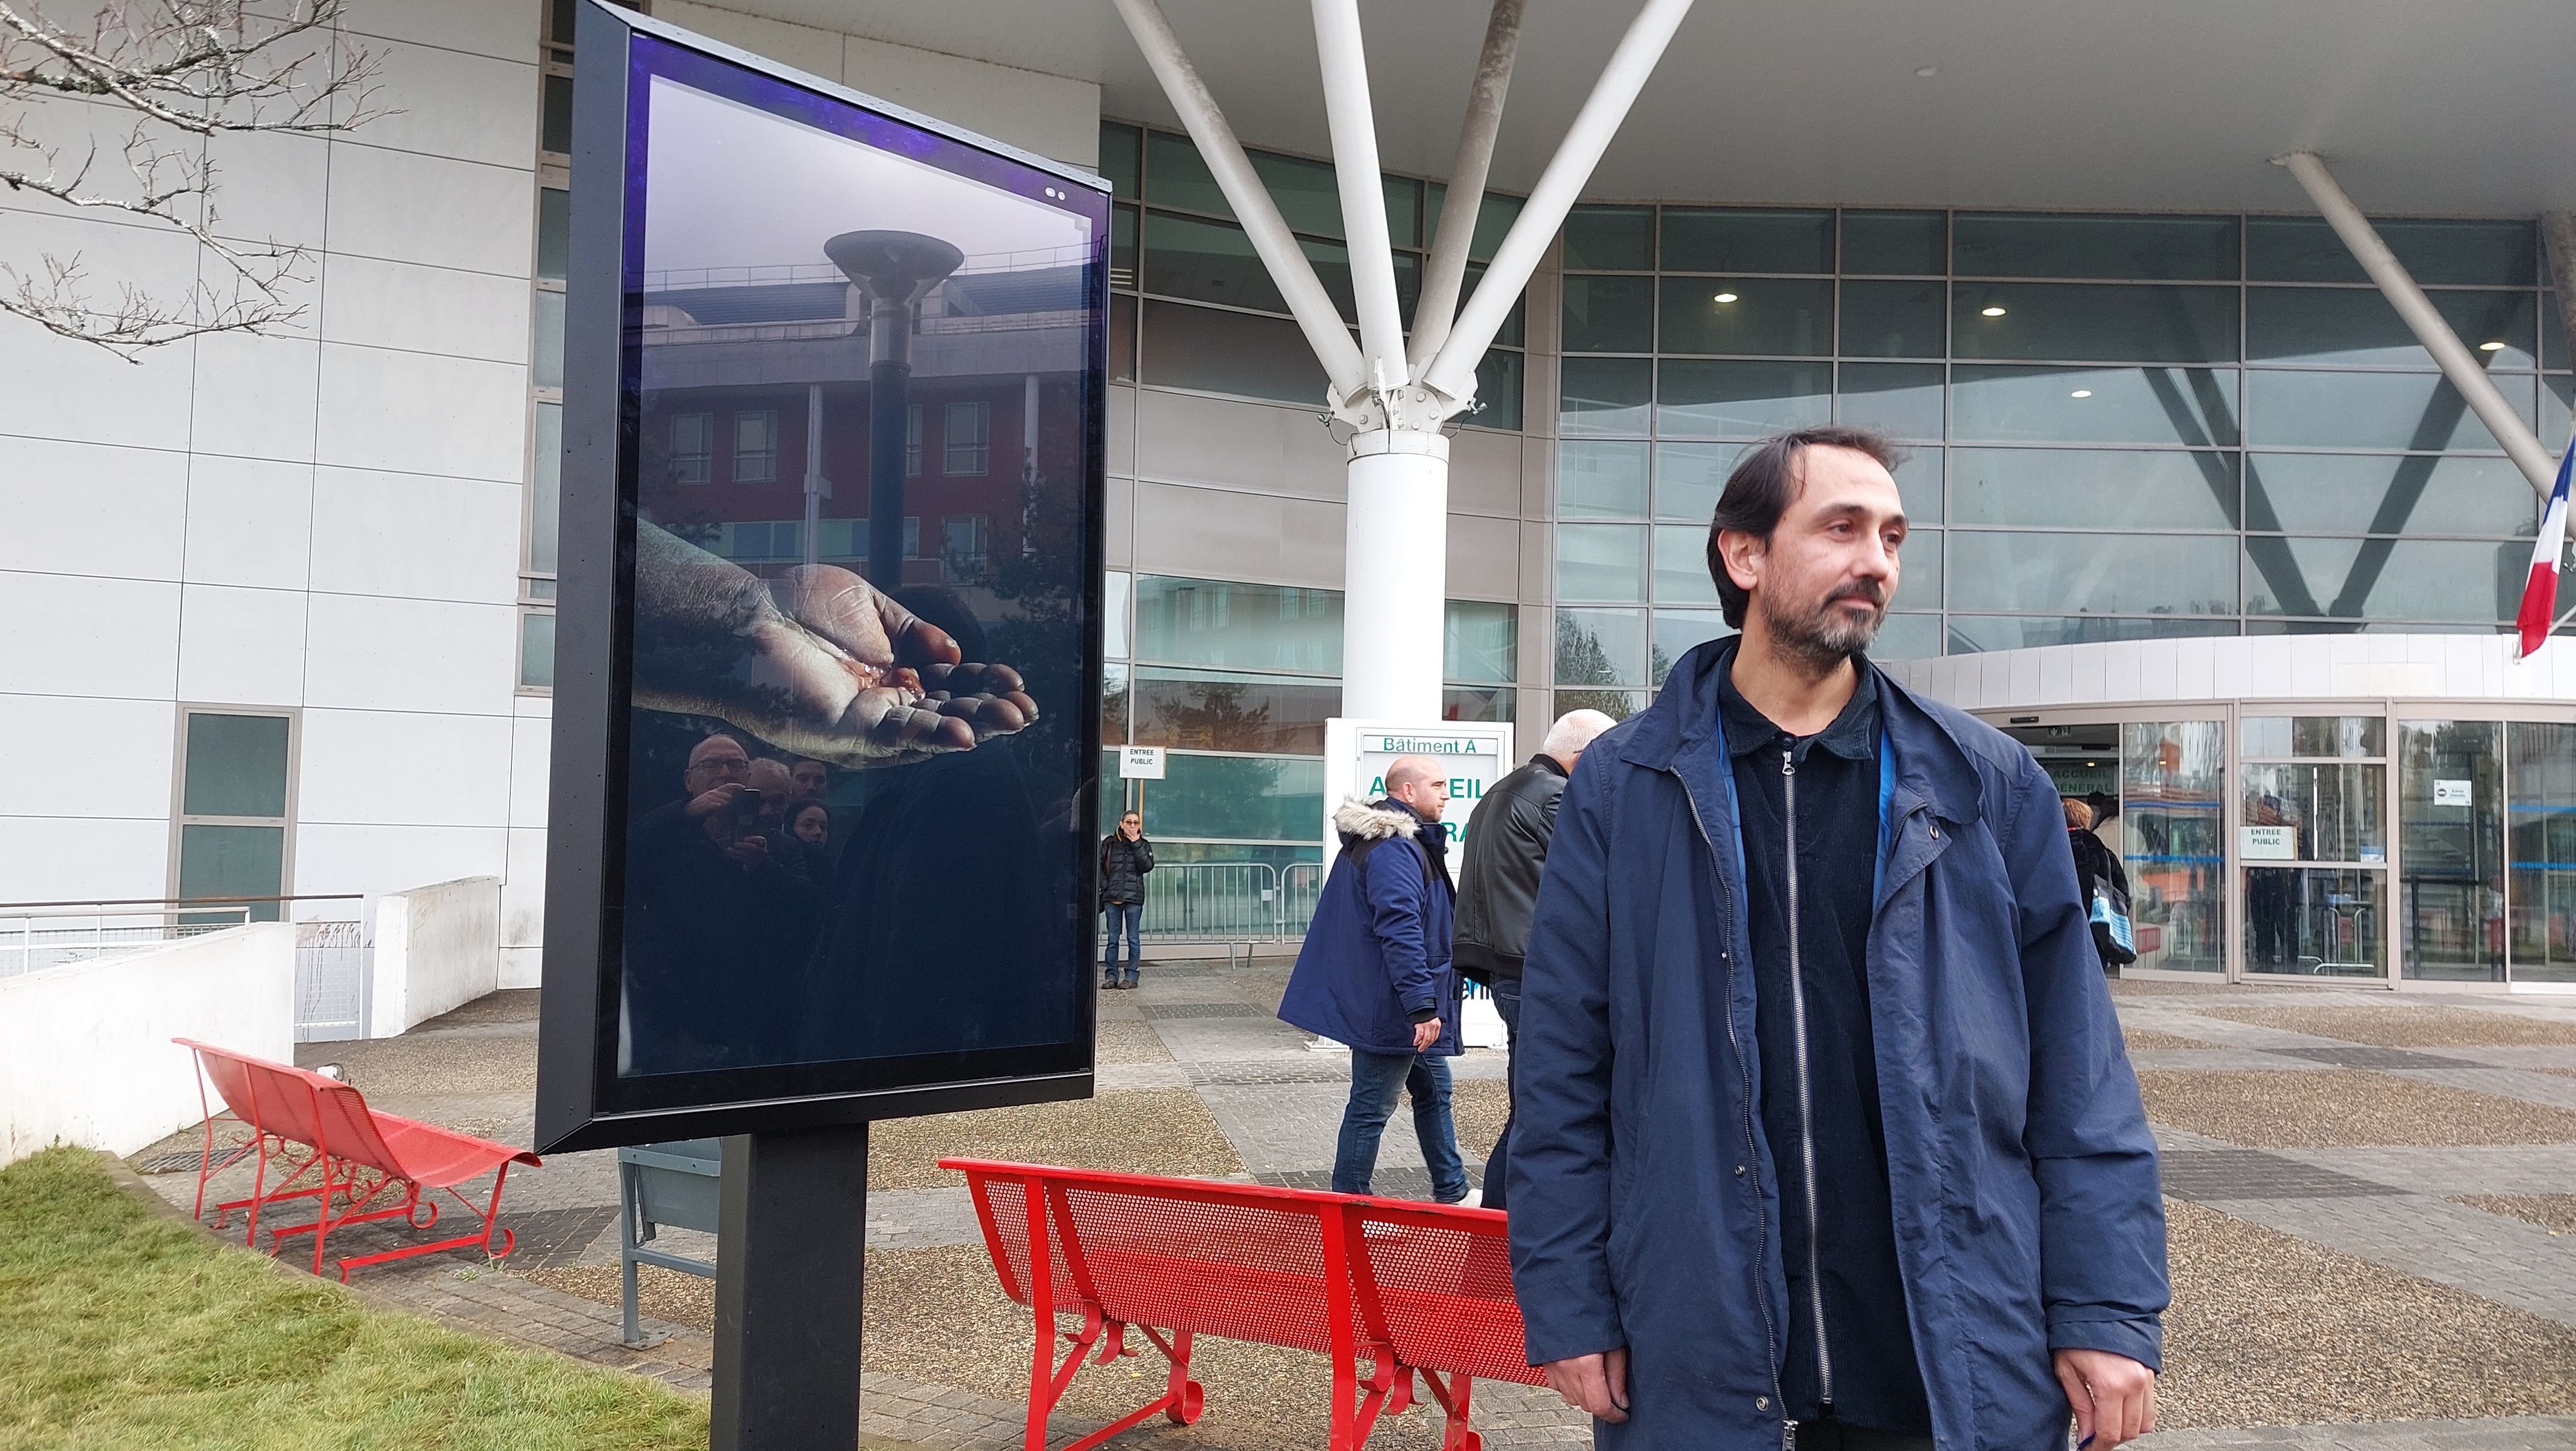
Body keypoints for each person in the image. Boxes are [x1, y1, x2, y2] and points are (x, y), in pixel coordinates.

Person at [1510, 426, 2167, 1451]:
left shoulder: (1982, 784)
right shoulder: (1622, 785)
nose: (1876, 561)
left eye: (1892, 536)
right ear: (1743, 554)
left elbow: (2078, 1074)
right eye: (1842, 527)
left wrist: (2102, 1307)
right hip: (1699, 1340)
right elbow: (1560, 1070)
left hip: (1942, 1345)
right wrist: (1568, 1297)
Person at [1279, 756, 1468, 1204]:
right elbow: (1400, 930)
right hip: (1392, 1007)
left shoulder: (1391, 843)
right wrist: (1423, 1006)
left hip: (1390, 1000)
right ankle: (1351, 1205)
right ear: (1407, 793)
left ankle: (1452, 1188)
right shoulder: (1393, 849)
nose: (1446, 794)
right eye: (1438, 786)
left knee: (1434, 1089)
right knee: (1371, 1106)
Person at [1451, 708, 1616, 1213]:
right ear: (1583, 756)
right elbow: (1599, 874)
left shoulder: (1503, 791)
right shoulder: (1554, 794)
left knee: (1531, 1105)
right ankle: (1504, 1227)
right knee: (1545, 1111)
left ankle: (1498, 1226)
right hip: (1538, 972)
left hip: (1508, 967)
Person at [622, 733, 812, 1072]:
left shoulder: (779, 845)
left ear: (748, 777)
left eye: (737, 765)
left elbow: (806, 911)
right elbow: (622, 869)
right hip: (677, 1010)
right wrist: (687, 814)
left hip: (755, 1012)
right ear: (689, 780)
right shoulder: (667, 837)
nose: (725, 773)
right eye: (711, 765)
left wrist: (762, 868)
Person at [2066, 797, 2134, 977]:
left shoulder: (2051, 850)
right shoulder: (2101, 852)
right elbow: (2122, 893)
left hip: (2060, 933)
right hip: (2096, 931)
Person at [1100, 809, 1155, 989]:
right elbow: (1098, 865)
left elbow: (1147, 866)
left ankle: (1131, 976)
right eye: (1129, 822)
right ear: (1121, 824)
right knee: (1112, 939)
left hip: (1134, 898)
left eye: (1136, 823)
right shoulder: (1110, 843)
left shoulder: (1143, 844)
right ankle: (1111, 976)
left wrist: (1136, 844)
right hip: (1112, 897)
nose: (1133, 826)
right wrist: (1106, 885)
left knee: (1133, 938)